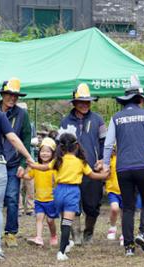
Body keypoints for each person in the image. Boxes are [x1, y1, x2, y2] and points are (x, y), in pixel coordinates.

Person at [103, 75, 144, 256]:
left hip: (123, 168)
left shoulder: (116, 118)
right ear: (140, 100)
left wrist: (107, 164)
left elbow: (108, 144)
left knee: (128, 207)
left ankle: (129, 247)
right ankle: (143, 232)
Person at [28, 132, 108, 261]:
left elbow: (44, 167)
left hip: (58, 192)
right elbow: (92, 175)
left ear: (61, 147)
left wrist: (32, 165)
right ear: (76, 146)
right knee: (67, 222)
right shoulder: (80, 162)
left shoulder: (58, 160)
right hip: (72, 192)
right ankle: (61, 251)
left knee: (63, 220)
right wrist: (105, 176)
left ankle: (66, 243)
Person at [60, 83, 107, 245]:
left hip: (93, 168)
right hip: (70, 169)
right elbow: (59, 145)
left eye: (87, 101)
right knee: (72, 203)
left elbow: (104, 142)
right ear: (74, 102)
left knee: (92, 205)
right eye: (81, 101)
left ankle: (89, 231)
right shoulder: (65, 121)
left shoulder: (98, 119)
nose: (85, 104)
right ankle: (76, 235)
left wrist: (103, 160)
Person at [0, 78, 32, 247]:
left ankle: (10, 233)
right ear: (2, 95)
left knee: (11, 198)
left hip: (12, 163)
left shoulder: (22, 114)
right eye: (9, 95)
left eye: (15, 96)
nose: (12, 98)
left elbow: (25, 140)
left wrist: (23, 164)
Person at [23, 138, 58, 247]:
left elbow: (59, 180)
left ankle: (53, 235)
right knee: (39, 218)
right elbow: (29, 176)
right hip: (39, 199)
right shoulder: (36, 166)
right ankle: (39, 238)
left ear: (53, 153)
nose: (45, 154)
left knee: (50, 221)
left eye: (48, 151)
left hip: (51, 199)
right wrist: (22, 174)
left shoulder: (54, 167)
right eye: (42, 151)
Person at [105, 147, 124, 246]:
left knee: (124, 213)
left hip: (125, 190)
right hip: (113, 190)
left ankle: (124, 233)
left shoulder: (126, 158)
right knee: (114, 208)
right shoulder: (109, 160)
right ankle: (112, 227)